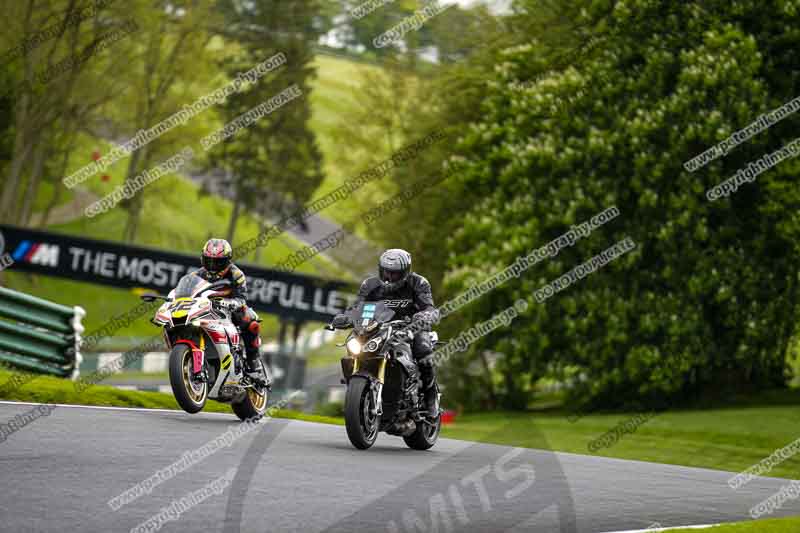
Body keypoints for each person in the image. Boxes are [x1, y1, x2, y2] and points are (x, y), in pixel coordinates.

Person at [335, 249, 440, 414]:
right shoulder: (369, 285)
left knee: (423, 349)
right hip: (377, 328)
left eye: (395, 273)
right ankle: (357, 388)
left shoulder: (419, 283)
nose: (389, 277)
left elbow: (429, 307)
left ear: (405, 272)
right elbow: (357, 307)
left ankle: (430, 395)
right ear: (380, 269)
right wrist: (345, 318)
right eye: (386, 272)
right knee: (354, 345)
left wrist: (425, 315)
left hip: (412, 327)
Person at [197, 238, 263, 380]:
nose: (213, 266)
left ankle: (253, 360)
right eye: (209, 261)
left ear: (227, 261)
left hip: (231, 310)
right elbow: (188, 291)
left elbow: (242, 298)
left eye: (218, 262)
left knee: (251, 321)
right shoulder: (198, 274)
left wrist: (231, 303)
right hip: (206, 309)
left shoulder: (236, 274)